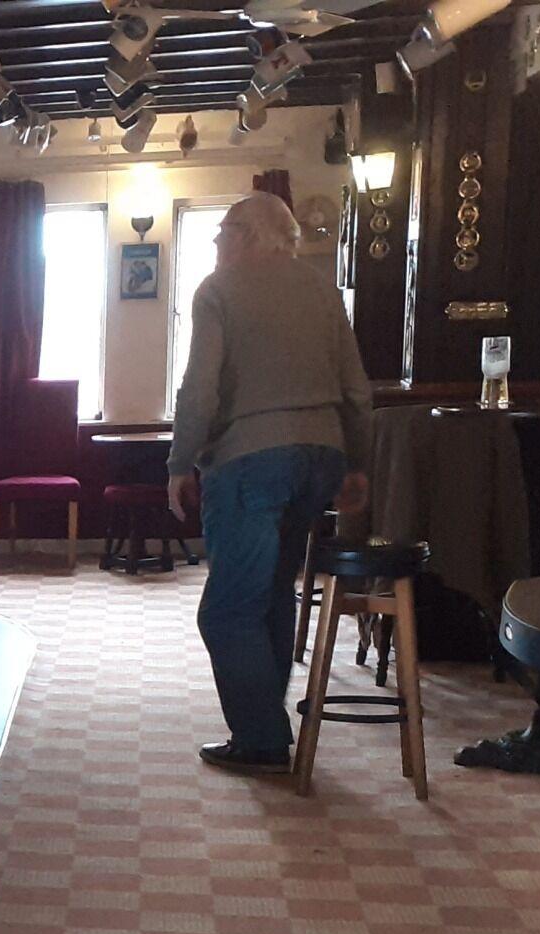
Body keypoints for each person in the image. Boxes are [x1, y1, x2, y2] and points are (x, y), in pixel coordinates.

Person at [168, 193, 372, 775]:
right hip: (320, 459)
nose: (216, 243)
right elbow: (356, 389)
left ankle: (260, 739)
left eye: (221, 231)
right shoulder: (323, 291)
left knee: (228, 610)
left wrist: (180, 462)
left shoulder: (218, 289)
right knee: (274, 593)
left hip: (251, 459)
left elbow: (200, 387)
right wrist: (358, 464)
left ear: (245, 233)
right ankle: (265, 729)